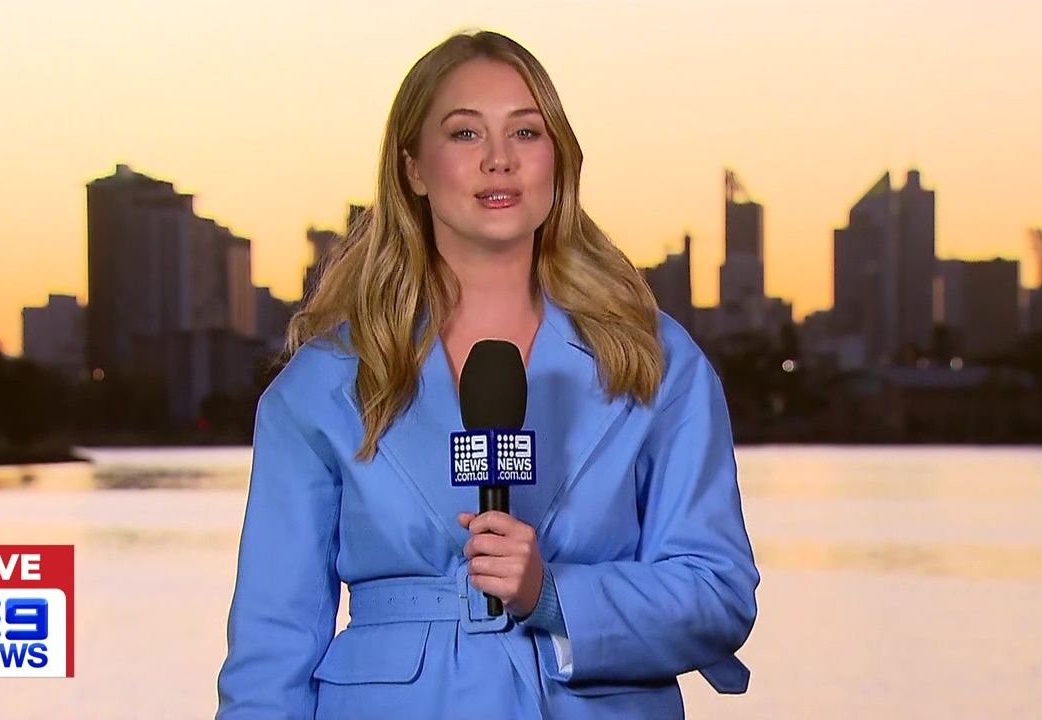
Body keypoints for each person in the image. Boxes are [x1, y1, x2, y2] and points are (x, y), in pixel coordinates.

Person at [215, 29, 759, 720]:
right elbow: (271, 651)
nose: (499, 160)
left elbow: (717, 592)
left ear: (559, 159)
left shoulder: (654, 361)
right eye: (465, 133)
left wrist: (553, 596)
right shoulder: (322, 386)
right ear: (413, 167)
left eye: (526, 132)